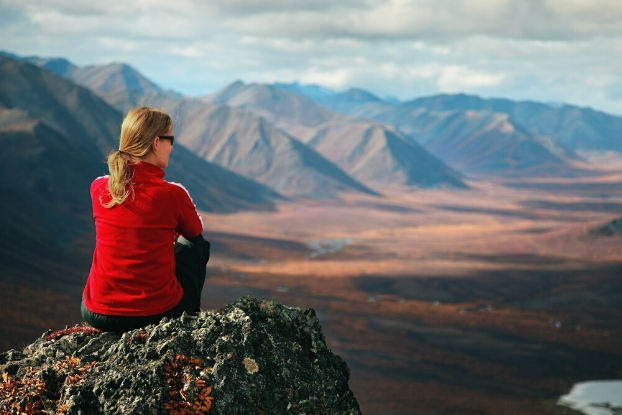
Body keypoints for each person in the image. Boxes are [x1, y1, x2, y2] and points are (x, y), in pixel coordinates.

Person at [81, 106, 210, 332]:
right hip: (157, 313)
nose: (172, 147)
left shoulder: (99, 187)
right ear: (156, 143)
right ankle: (189, 322)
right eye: (170, 140)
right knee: (194, 244)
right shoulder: (172, 194)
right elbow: (194, 232)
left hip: (96, 312)